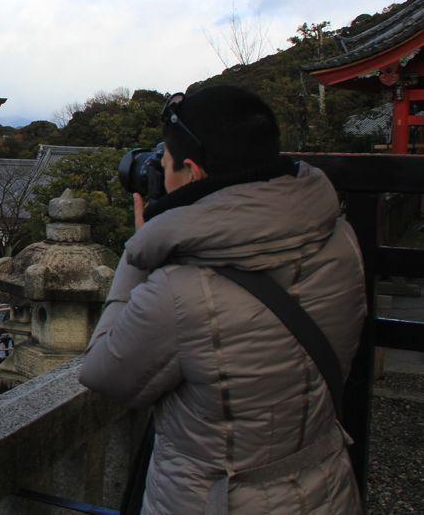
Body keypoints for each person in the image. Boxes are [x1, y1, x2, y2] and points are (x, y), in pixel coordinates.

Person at [79, 86, 366, 514]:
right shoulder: (341, 239)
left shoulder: (181, 289)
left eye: (166, 164)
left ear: (193, 173)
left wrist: (140, 250)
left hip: (215, 499)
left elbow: (103, 372)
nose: (159, 173)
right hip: (327, 485)